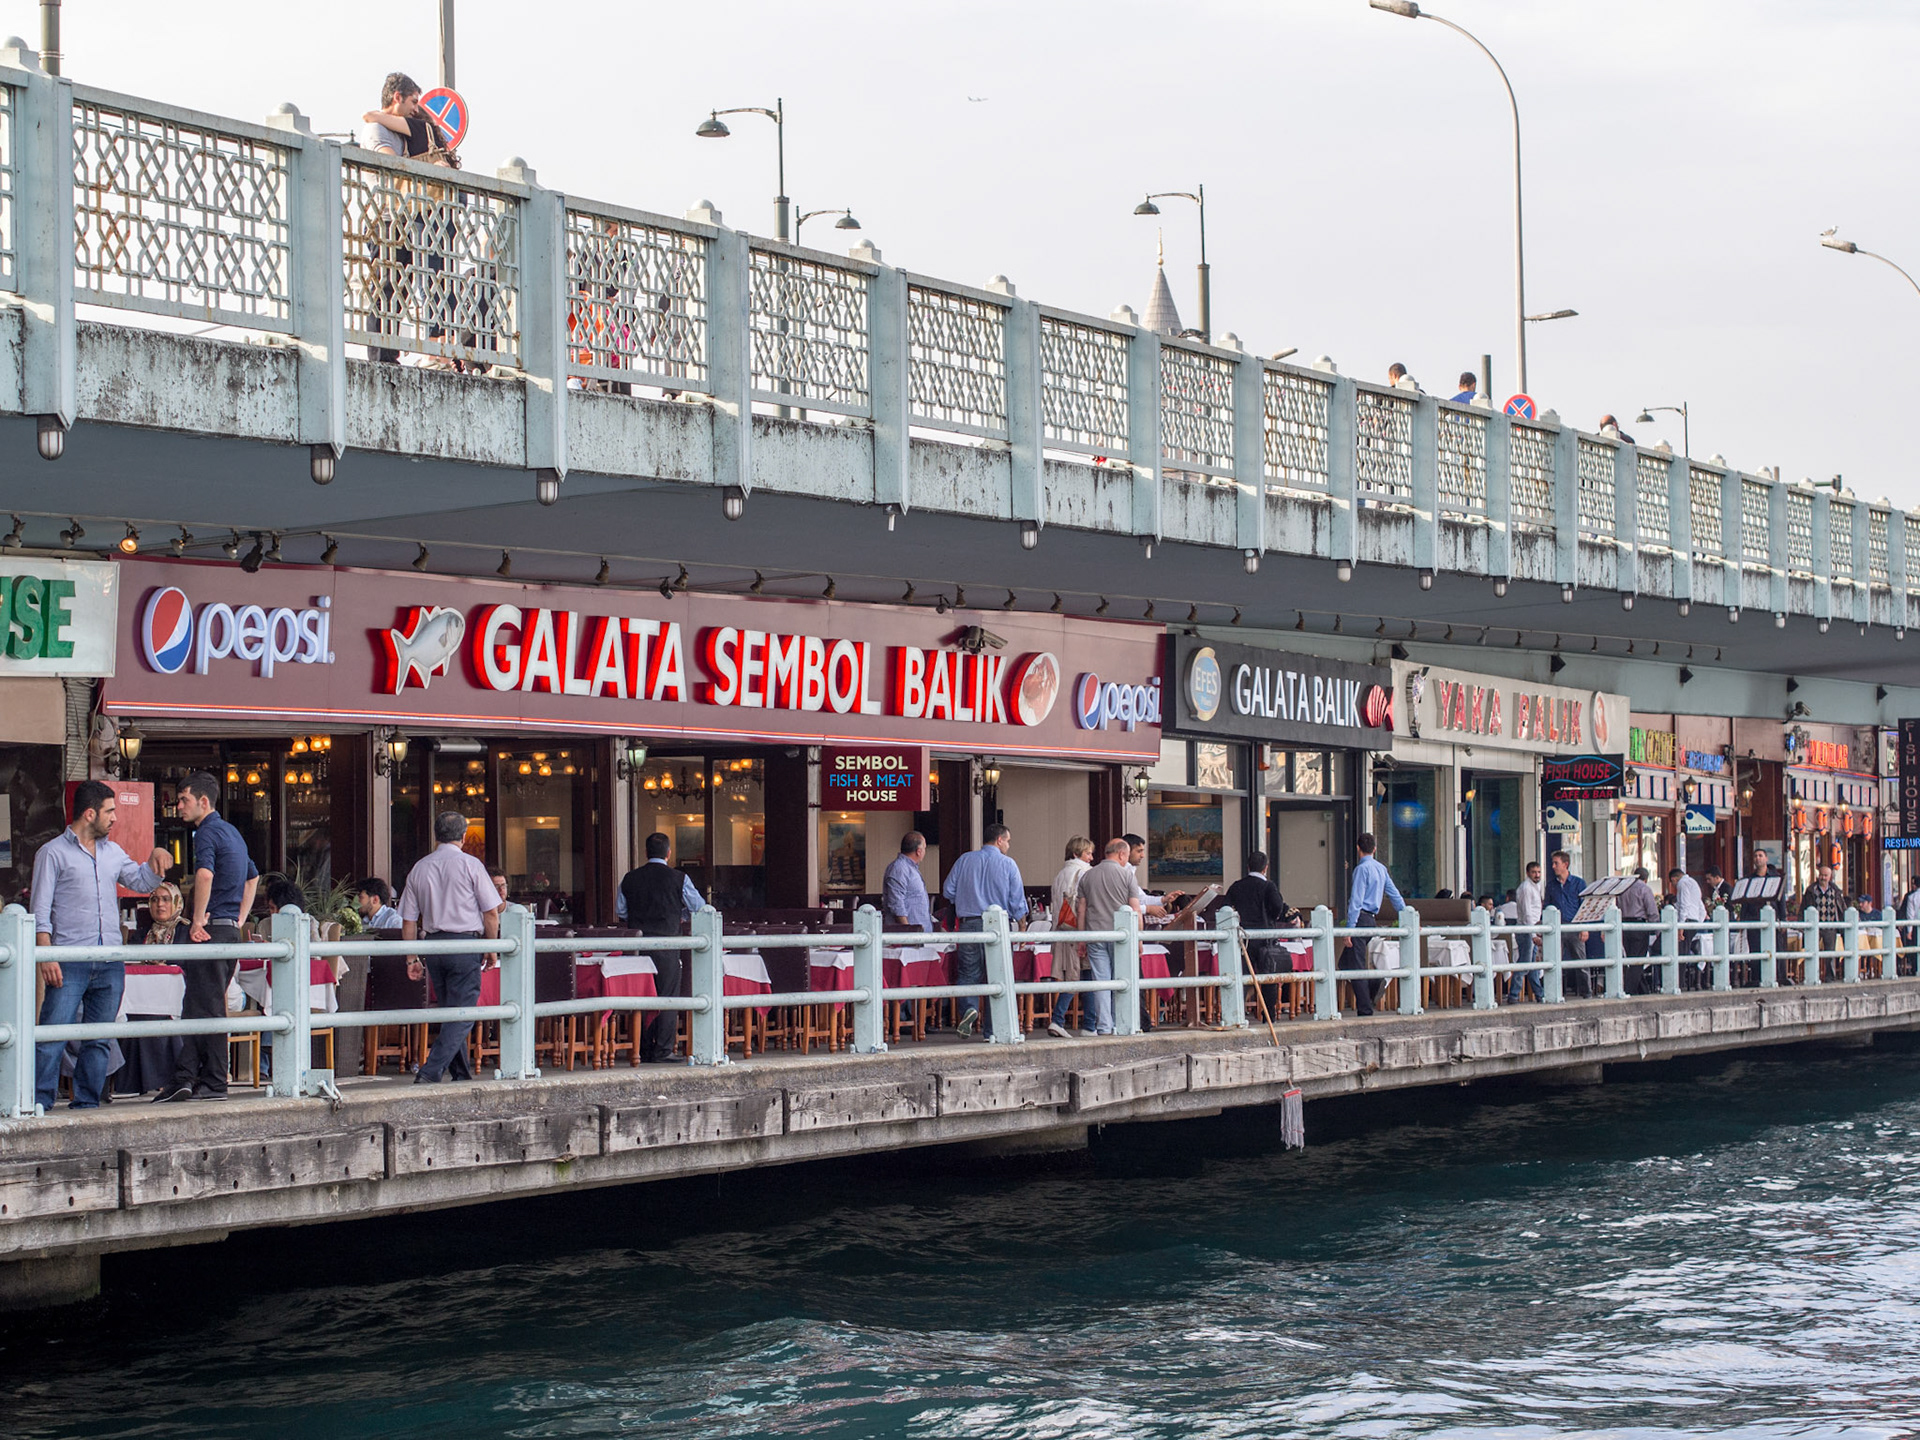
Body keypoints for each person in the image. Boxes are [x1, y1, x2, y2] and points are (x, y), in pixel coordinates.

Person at [30, 779, 171, 1111]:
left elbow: (138, 881)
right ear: (89, 813)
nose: (114, 818)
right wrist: (46, 956)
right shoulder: (51, 853)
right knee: (53, 1034)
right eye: (109, 811)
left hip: (109, 960)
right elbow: (40, 911)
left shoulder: (113, 852)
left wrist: (156, 860)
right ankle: (37, 1102)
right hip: (70, 959)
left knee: (99, 1038)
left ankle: (87, 1103)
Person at [156, 771, 256, 1103]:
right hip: (229, 928)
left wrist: (197, 920)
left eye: (183, 800)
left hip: (212, 929)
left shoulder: (207, 833)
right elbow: (253, 877)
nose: (178, 806)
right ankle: (185, 1076)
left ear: (203, 801)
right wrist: (239, 918)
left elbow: (204, 873)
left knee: (207, 1006)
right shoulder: (233, 834)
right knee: (197, 1005)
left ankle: (214, 1081)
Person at [399, 811, 503, 1083]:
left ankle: (461, 1073)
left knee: (450, 1012)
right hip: (464, 943)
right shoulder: (471, 864)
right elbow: (491, 912)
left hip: (433, 945)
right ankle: (430, 1072)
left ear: (436, 835)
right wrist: (492, 947)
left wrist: (412, 958)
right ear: (464, 836)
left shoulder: (419, 867)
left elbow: (409, 920)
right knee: (463, 1013)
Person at [617, 832, 705, 1062]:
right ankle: (663, 1050)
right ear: (669, 853)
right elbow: (700, 908)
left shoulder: (630, 878)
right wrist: (680, 914)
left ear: (645, 853)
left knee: (642, 996)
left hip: (638, 945)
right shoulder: (679, 878)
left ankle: (643, 1048)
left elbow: (621, 911)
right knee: (667, 997)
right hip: (668, 943)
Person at [941, 824, 1028, 1038]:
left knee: (968, 973)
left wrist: (966, 898)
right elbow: (1016, 900)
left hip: (969, 923)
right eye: (1007, 841)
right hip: (997, 926)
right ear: (999, 840)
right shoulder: (1008, 864)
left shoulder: (964, 860)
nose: (1008, 845)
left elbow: (948, 890)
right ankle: (992, 1031)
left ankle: (969, 1008)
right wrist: (1023, 925)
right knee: (996, 976)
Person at [1076, 838, 1146, 1036]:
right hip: (1121, 936)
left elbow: (1081, 910)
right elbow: (1135, 909)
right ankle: (1120, 1024)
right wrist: (1139, 937)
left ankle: (1104, 1026)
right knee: (1121, 981)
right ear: (1122, 854)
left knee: (1101, 982)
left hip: (1095, 935)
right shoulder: (1127, 876)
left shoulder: (1087, 876)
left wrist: (1081, 938)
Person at [1226, 850, 1290, 1019]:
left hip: (1243, 939)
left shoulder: (1236, 886)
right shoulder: (1268, 886)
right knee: (1268, 977)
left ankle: (1237, 1015)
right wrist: (1271, 915)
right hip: (1264, 937)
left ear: (1248, 867)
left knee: (1241, 977)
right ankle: (1268, 1015)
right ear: (1265, 868)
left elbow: (1226, 909)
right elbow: (1278, 906)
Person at [1345, 833, 1404, 1016]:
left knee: (1355, 966)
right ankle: (1373, 983)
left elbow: (1356, 900)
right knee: (1345, 961)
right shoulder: (1381, 869)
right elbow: (1394, 895)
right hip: (1371, 919)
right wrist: (1407, 913)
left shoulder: (1362, 870)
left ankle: (1365, 1007)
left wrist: (1349, 929)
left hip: (1360, 919)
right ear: (1375, 849)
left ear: (1358, 848)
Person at [1046, 837, 1094, 1038]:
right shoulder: (1084, 872)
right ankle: (1083, 1024)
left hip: (1062, 929)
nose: (1091, 857)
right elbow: (1085, 904)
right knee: (1085, 976)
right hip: (1078, 929)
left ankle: (1085, 1023)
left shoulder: (1060, 874)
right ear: (1077, 853)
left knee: (1076, 976)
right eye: (1088, 853)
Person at [1545, 851, 1592, 998]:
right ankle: (1554, 992)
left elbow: (1584, 906)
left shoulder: (1579, 883)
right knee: (1554, 961)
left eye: (1556, 863)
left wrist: (1584, 927)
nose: (1553, 866)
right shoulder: (1551, 885)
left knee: (1580, 961)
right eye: (1552, 863)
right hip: (1556, 926)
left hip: (1574, 925)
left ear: (1565, 864)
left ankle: (1586, 992)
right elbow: (1547, 906)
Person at [1801, 860, 1848, 983]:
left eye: (1825, 875)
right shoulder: (1811, 890)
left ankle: (1830, 976)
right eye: (1821, 875)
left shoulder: (1835, 890)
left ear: (1830, 877)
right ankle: (1812, 975)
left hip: (1830, 925)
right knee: (1812, 951)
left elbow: (1841, 907)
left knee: (1830, 953)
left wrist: (1844, 921)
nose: (1823, 877)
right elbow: (1803, 907)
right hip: (1814, 926)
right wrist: (1802, 923)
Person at [1618, 866, 1661, 993]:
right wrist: (1658, 930)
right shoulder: (1644, 888)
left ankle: (1643, 990)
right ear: (1646, 879)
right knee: (1638, 960)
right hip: (1639, 925)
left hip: (1625, 925)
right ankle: (1628, 990)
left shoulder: (1623, 888)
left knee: (1631, 959)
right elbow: (1652, 911)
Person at [1510, 859, 1545, 1003]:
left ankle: (1539, 994)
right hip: (1526, 931)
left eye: (1538, 872)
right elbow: (1527, 913)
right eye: (1534, 872)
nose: (1537, 875)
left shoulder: (1536, 887)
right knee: (1525, 964)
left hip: (1532, 929)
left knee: (1532, 966)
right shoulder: (1526, 888)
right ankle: (1513, 994)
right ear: (1527, 873)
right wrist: (1532, 934)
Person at [883, 832, 933, 934]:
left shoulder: (909, 869)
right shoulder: (900, 869)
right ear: (918, 851)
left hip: (918, 935)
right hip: (908, 938)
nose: (925, 851)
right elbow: (896, 904)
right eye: (924, 848)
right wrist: (908, 932)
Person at [1669, 866, 1707, 986]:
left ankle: (1678, 982)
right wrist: (1698, 923)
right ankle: (1681, 982)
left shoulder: (1682, 883)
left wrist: (1681, 925)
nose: (1674, 886)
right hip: (1694, 921)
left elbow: (1684, 905)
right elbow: (1702, 908)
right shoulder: (1693, 883)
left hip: (1686, 920)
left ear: (1674, 879)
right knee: (1684, 951)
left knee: (1680, 952)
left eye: (1672, 883)